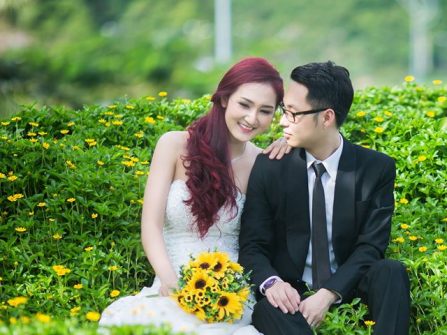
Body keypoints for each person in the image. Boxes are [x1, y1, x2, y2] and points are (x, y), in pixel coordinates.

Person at [99, 57, 287, 334]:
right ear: (224, 98)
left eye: (265, 111)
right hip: (170, 282)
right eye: (244, 104)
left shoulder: (263, 163)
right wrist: (169, 280)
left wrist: (293, 142)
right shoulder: (174, 145)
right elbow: (150, 226)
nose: (252, 118)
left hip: (231, 295)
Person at [238, 61, 410, 335]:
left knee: (391, 271)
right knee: (266, 309)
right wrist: (272, 283)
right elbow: (252, 245)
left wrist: (329, 293)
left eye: (293, 113)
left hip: (349, 283)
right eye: (285, 110)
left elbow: (371, 246)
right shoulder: (271, 166)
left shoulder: (375, 168)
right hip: (290, 292)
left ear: (327, 117)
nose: (283, 121)